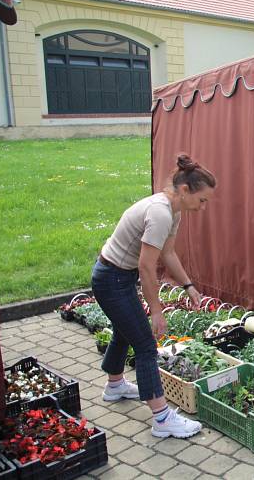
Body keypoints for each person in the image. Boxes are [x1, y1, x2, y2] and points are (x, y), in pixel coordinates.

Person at [91, 154, 216, 439]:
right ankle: (161, 419)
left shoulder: (174, 210)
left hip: (115, 277)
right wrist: (156, 310)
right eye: (203, 200)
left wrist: (188, 285)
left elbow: (168, 254)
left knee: (125, 332)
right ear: (185, 190)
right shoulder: (160, 212)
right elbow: (146, 266)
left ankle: (115, 386)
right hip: (111, 279)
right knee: (146, 346)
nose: (204, 207)